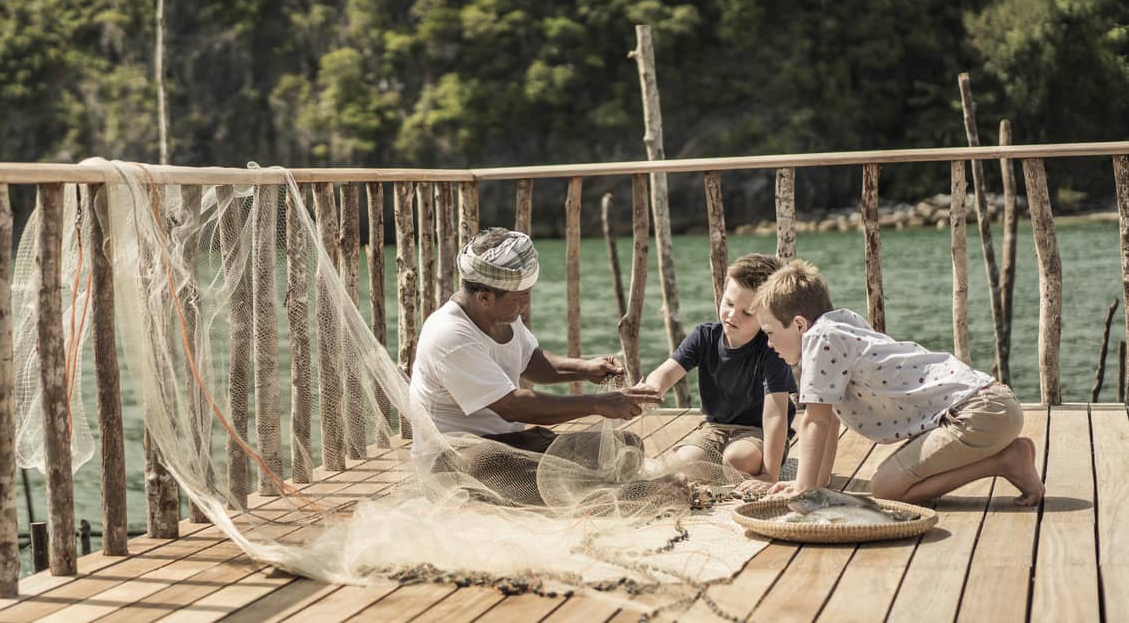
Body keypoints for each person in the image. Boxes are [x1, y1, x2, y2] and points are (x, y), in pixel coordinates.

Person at [753, 259, 1045, 506]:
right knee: (887, 484)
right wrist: (814, 485)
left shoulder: (820, 338)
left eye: (769, 332)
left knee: (886, 489)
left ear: (800, 324)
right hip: (991, 405)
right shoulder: (839, 325)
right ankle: (1008, 457)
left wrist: (802, 489)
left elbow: (814, 421)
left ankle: (1005, 461)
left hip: (976, 414)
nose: (768, 344)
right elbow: (827, 419)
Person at [408, 227, 662, 503]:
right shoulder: (450, 334)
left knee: (626, 446)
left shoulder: (501, 312)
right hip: (456, 459)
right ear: (484, 297)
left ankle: (587, 491)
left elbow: (531, 361)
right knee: (493, 460)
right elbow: (512, 406)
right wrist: (597, 404)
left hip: (510, 444)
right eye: (520, 297)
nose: (526, 303)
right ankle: (600, 494)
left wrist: (585, 368)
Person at [641, 253, 796, 484]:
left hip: (758, 432)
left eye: (747, 313)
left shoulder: (770, 348)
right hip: (715, 428)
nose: (733, 315)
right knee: (683, 462)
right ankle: (714, 471)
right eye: (729, 303)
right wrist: (650, 390)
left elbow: (775, 415)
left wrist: (769, 475)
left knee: (736, 460)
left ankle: (739, 469)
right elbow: (667, 372)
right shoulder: (704, 336)